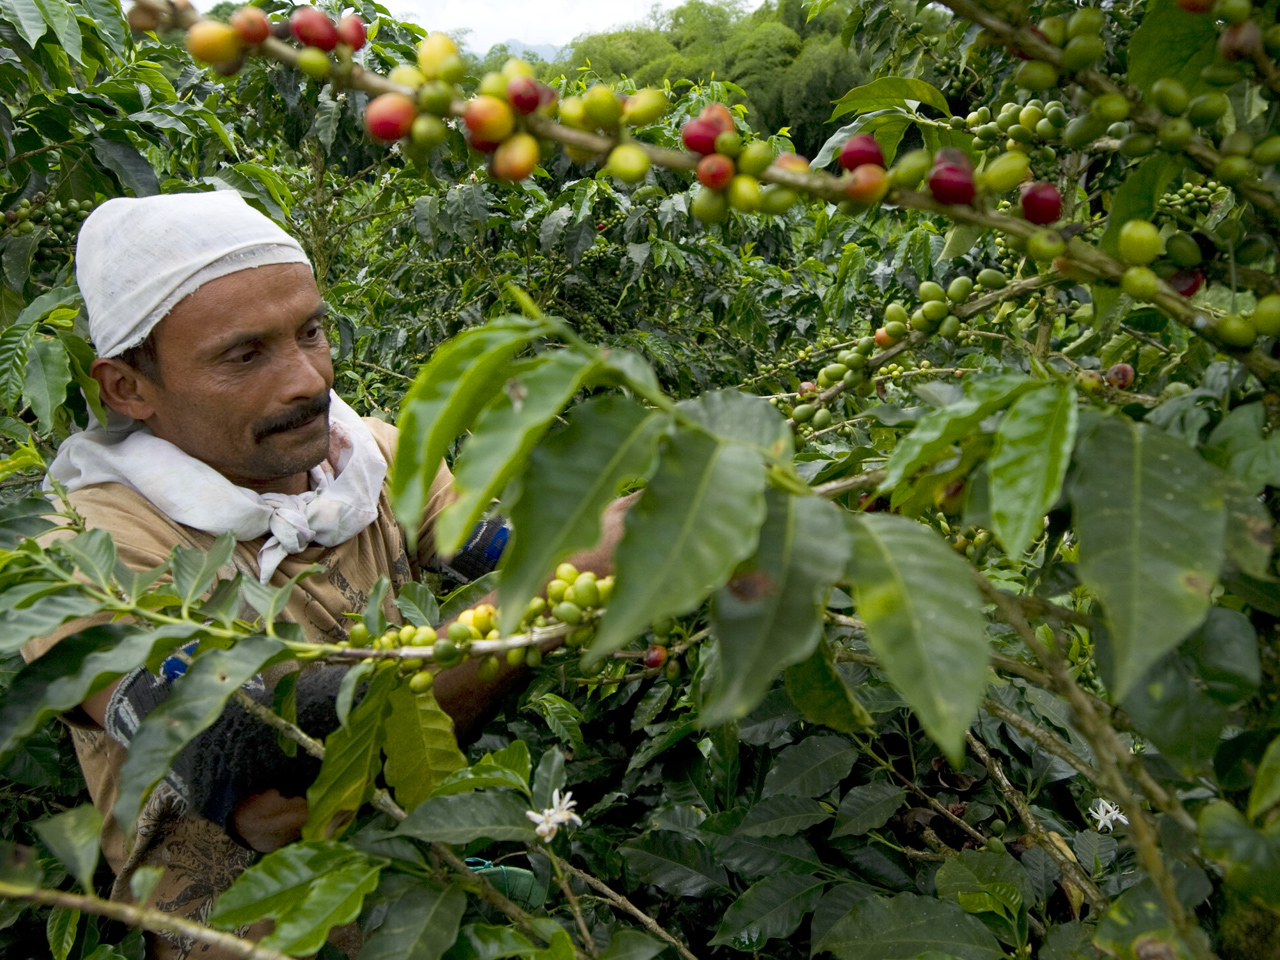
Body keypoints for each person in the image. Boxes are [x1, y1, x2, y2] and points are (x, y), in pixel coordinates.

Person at [21, 191, 629, 959]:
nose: (307, 380)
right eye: (245, 355)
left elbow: (506, 554)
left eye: (311, 331)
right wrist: (549, 595)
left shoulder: (373, 455)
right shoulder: (82, 552)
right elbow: (243, 746)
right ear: (129, 388)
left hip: (430, 879)